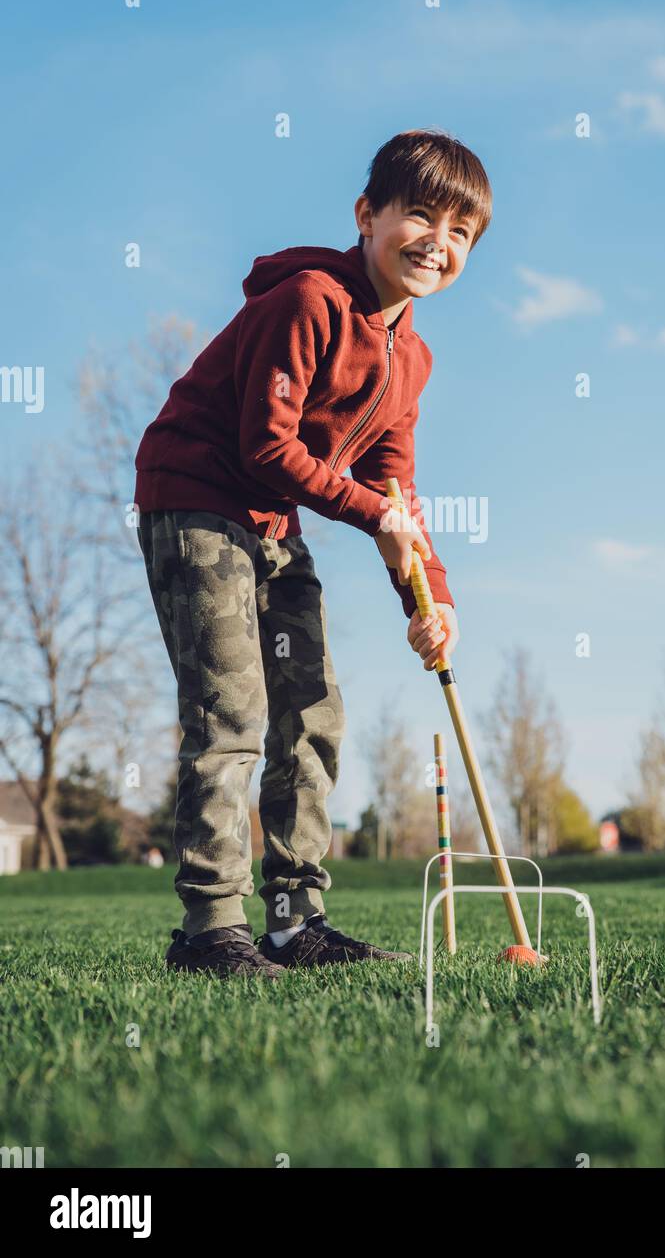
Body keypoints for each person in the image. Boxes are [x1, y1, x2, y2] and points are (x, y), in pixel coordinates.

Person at [133, 129, 493, 976]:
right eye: (419, 216)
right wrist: (373, 511)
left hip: (271, 521)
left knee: (313, 705)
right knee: (231, 712)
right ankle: (208, 932)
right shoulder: (307, 301)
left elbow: (393, 491)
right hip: (199, 497)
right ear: (367, 216)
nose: (436, 242)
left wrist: (429, 599)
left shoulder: (414, 358)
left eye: (460, 232)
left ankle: (295, 921)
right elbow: (267, 449)